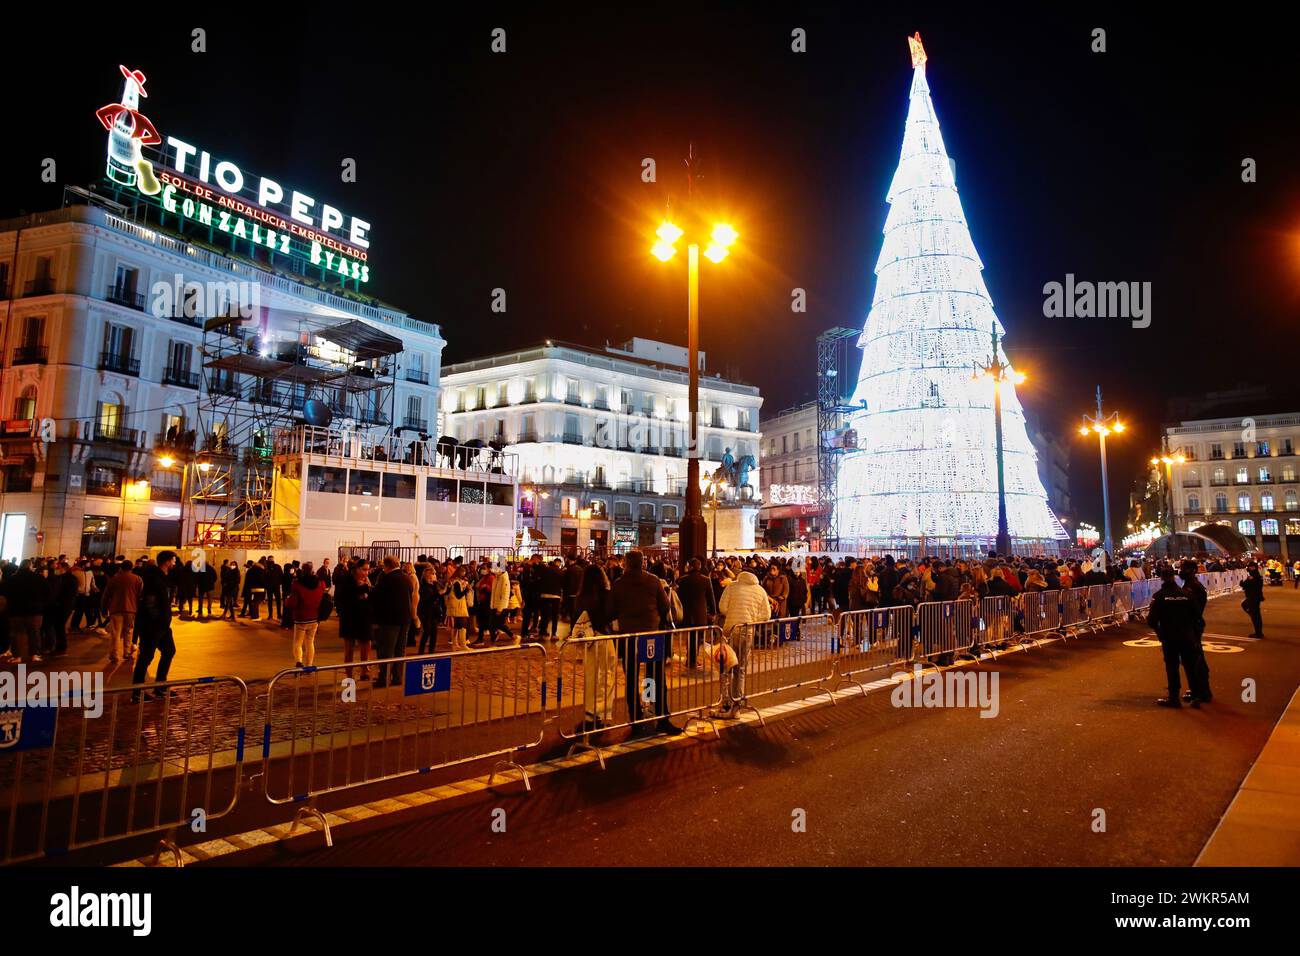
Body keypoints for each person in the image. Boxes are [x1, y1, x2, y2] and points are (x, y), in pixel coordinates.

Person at [610, 550, 674, 737]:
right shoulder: (653, 580)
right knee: (654, 675)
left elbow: (611, 610)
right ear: (643, 563)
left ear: (626, 564)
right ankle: (657, 712)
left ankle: (636, 718)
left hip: (629, 636)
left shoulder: (619, 584)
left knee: (631, 677)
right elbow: (665, 606)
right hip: (651, 634)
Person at [716, 569, 772, 718]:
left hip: (730, 630)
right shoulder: (760, 590)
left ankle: (725, 703)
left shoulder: (732, 586)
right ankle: (737, 706)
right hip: (747, 631)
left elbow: (722, 607)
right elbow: (766, 615)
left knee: (726, 668)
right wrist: (752, 619)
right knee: (740, 669)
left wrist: (733, 614)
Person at [1146, 567, 1200, 708]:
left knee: (1172, 666)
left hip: (1169, 636)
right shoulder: (1187, 594)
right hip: (1187, 635)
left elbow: (1151, 620)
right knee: (1190, 666)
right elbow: (1197, 616)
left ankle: (1174, 697)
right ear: (1174, 577)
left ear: (1162, 578)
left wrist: (1159, 633)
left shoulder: (1160, 596)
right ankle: (1196, 696)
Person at [132, 551, 178, 701]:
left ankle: (160, 686)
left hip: (163, 625)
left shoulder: (163, 577)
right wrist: (157, 620)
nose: (175, 563)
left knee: (169, 650)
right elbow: (149, 602)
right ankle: (137, 692)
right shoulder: (154, 578)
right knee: (145, 656)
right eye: (173, 560)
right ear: (166, 562)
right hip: (153, 625)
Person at [371, 555, 414, 688]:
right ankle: (397, 677)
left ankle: (383, 678)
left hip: (389, 620)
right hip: (405, 619)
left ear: (386, 566)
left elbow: (377, 597)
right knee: (400, 650)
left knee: (386, 650)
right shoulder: (407, 578)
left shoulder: (386, 579)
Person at [1178, 560, 1212, 703]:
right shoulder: (1191, 585)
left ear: (1192, 570)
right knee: (1195, 659)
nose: (1181, 571)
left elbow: (1193, 609)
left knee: (1193, 660)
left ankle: (1200, 690)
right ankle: (1201, 689)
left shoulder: (1193, 587)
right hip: (1192, 625)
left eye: (1184, 568)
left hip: (1191, 626)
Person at [676, 558, 717, 669]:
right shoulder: (705, 580)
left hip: (687, 613)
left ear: (690, 567)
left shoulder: (682, 580)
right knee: (698, 639)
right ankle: (693, 659)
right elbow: (710, 597)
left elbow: (679, 597)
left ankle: (690, 659)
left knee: (689, 637)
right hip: (700, 614)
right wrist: (713, 612)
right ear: (699, 567)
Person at [101, 559, 142, 663]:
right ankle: (127, 652)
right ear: (132, 568)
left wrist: (104, 609)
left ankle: (114, 655)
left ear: (121, 568)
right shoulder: (137, 579)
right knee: (129, 631)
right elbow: (140, 596)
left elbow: (106, 596)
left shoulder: (114, 579)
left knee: (116, 633)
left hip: (116, 609)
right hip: (131, 609)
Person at [286, 563, 326, 667]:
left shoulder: (297, 584)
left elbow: (293, 603)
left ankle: (299, 661)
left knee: (298, 643)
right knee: (310, 642)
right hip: (314, 617)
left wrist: (287, 601)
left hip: (301, 618)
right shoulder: (320, 583)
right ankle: (309, 665)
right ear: (313, 570)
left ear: (302, 571)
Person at [1240, 564, 1265, 637]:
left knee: (1255, 616)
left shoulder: (1253, 575)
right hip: (1255, 597)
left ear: (1253, 567)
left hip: (1253, 597)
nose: (1248, 568)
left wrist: (1242, 583)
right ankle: (1258, 632)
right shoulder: (1256, 574)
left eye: (1249, 567)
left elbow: (1246, 584)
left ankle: (1258, 633)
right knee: (1245, 605)